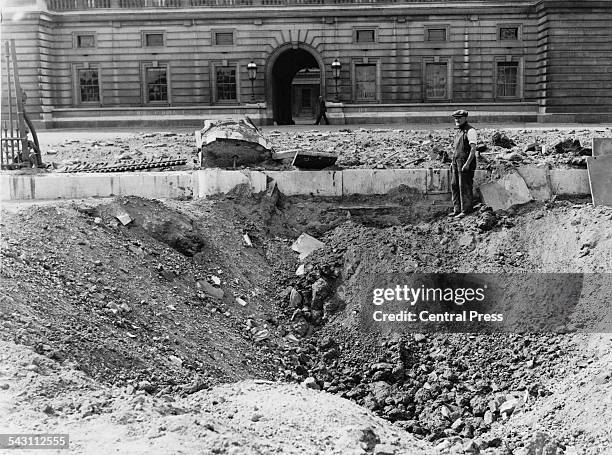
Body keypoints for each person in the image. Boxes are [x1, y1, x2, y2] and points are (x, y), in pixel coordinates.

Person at [449, 110, 478, 219]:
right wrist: (452, 163)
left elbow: (473, 149)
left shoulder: (470, 131)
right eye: (456, 118)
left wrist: (467, 164)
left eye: (459, 117)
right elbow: (456, 150)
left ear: (465, 118)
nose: (457, 120)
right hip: (456, 162)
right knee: (454, 185)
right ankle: (456, 209)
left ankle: (466, 210)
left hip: (465, 162)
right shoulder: (458, 132)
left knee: (464, 186)